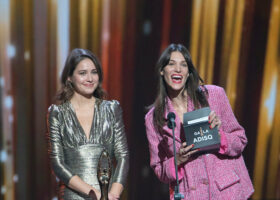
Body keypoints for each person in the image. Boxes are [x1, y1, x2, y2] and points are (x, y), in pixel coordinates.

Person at [145, 43, 254, 199]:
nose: (178, 69)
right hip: (191, 194)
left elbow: (240, 140)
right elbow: (159, 169)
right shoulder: (153, 118)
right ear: (162, 71)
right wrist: (177, 160)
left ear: (188, 72)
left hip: (228, 192)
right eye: (171, 64)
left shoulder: (214, 95)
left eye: (183, 65)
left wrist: (219, 135)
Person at [47, 48, 129, 200]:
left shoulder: (111, 109)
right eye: (83, 73)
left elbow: (123, 156)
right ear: (69, 77)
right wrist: (96, 194)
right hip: (73, 195)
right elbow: (57, 164)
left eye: (94, 72)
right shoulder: (57, 114)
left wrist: (112, 196)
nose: (90, 78)